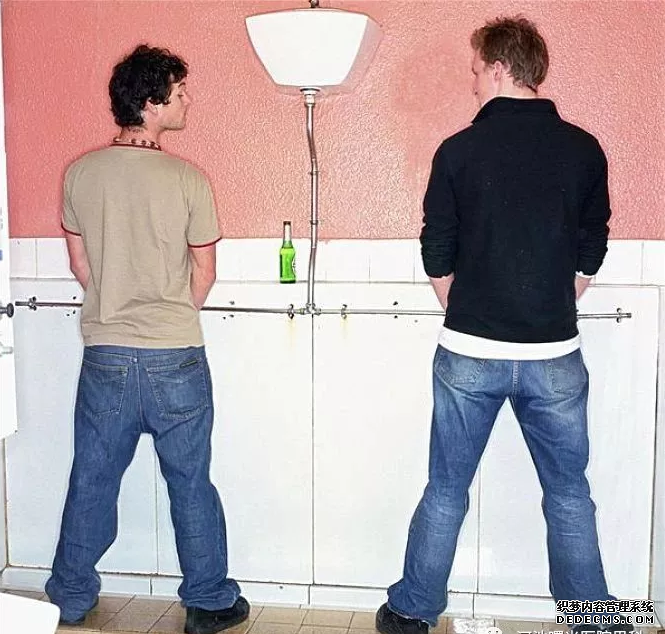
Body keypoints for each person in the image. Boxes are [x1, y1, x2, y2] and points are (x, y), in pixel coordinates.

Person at [376, 16, 620, 634]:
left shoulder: (458, 150)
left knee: (445, 489)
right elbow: (594, 243)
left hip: (467, 353)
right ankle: (595, 622)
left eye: (477, 70)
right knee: (570, 494)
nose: (473, 81)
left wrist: (462, 307)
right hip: (555, 354)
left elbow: (437, 248)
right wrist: (559, 299)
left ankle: (410, 612)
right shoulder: (584, 149)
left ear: (501, 67)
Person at [45, 45, 249, 634]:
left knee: (92, 479)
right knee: (190, 483)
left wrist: (117, 308)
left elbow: (81, 265)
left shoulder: (80, 173)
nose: (188, 100)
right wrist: (167, 315)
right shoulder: (188, 180)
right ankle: (207, 602)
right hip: (175, 356)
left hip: (105, 355)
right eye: (180, 92)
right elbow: (204, 272)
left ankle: (70, 597)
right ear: (153, 102)